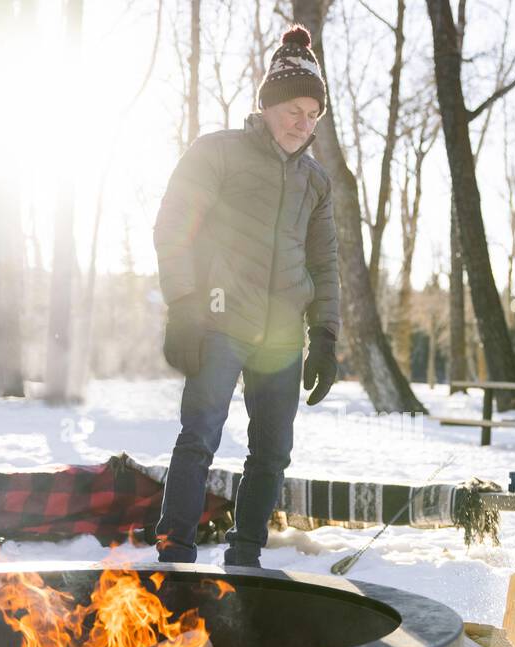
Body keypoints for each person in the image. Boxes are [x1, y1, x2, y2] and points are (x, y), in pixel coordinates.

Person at [150, 24, 340, 567]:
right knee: (199, 436)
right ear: (268, 106)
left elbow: (325, 264)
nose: (302, 125)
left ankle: (246, 557)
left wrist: (325, 333)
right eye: (293, 112)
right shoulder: (219, 153)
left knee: (273, 453)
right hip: (219, 320)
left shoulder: (316, 182)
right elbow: (173, 225)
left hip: (282, 337)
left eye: (313, 115)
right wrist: (183, 305)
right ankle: (175, 550)